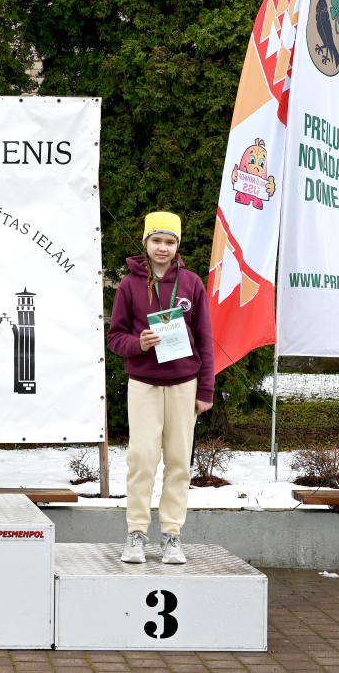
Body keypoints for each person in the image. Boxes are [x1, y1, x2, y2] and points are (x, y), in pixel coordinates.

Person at [106, 212, 214, 564]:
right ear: (146, 243)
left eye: (170, 241)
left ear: (177, 245)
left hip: (184, 385)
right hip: (144, 385)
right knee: (142, 459)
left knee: (179, 461)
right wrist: (137, 344)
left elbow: (205, 338)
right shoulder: (129, 285)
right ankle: (136, 532)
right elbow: (115, 337)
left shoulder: (192, 283)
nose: (162, 248)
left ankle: (172, 535)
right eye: (156, 240)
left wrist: (205, 390)